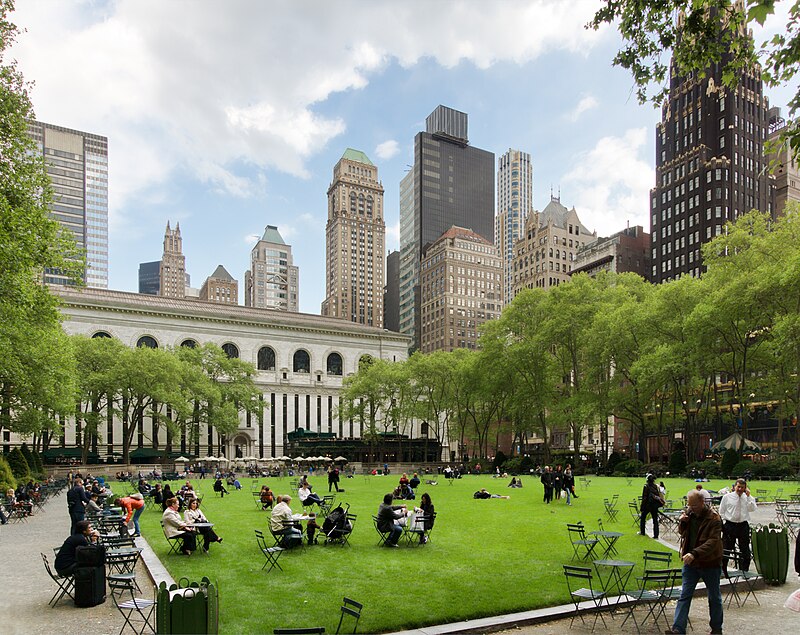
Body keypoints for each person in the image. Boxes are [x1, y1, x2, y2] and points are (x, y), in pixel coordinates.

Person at [666, 489, 723, 635]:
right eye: (689, 505)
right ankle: (678, 629)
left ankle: (716, 629)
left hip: (710, 563)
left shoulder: (714, 518)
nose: (691, 509)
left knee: (714, 597)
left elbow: (713, 542)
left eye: (694, 506)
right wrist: (683, 523)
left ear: (702, 503)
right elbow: (683, 534)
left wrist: (694, 553)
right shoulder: (690, 514)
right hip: (691, 564)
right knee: (684, 596)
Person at [718, 477, 758, 572]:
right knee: (726, 549)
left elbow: (752, 509)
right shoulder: (727, 497)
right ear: (734, 487)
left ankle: (744, 571)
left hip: (743, 525)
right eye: (738, 487)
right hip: (730, 525)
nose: (740, 489)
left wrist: (748, 496)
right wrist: (725, 522)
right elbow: (721, 511)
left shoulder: (748, 498)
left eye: (742, 487)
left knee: (744, 550)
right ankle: (723, 571)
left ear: (745, 488)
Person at [640, 473, 664, 538]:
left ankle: (642, 532)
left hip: (648, 505)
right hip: (655, 505)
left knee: (643, 518)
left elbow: (644, 497)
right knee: (655, 520)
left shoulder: (646, 486)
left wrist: (642, 507)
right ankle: (656, 535)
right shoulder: (656, 487)